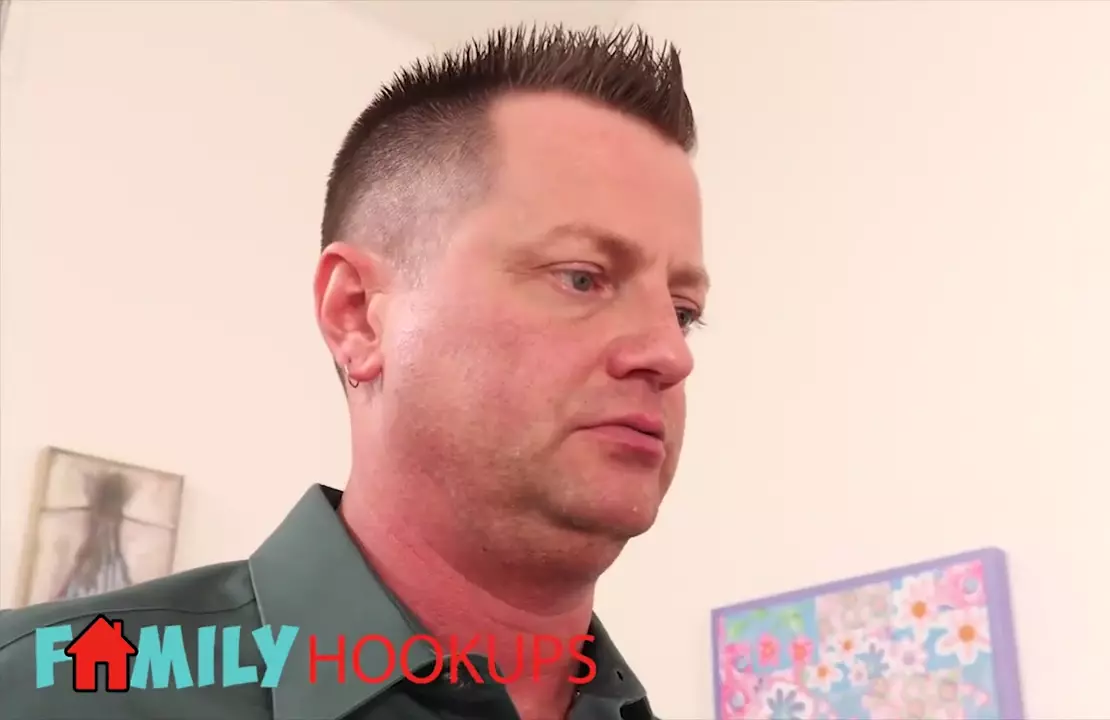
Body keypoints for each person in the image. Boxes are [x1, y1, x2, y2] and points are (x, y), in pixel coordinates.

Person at [0, 24, 706, 720]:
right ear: (359, 316)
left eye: (682, 312)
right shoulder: (35, 691)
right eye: (582, 278)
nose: (671, 355)